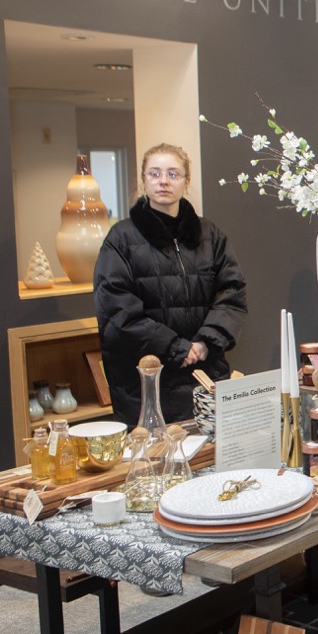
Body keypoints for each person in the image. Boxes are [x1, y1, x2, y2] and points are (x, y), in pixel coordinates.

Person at [94, 143, 248, 424]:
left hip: (206, 371)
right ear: (143, 180)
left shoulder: (210, 234)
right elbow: (117, 312)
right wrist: (176, 348)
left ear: (186, 181)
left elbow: (232, 294)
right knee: (156, 462)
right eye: (154, 173)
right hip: (147, 382)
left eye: (173, 174)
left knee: (212, 458)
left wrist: (204, 342)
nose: (163, 181)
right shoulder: (121, 238)